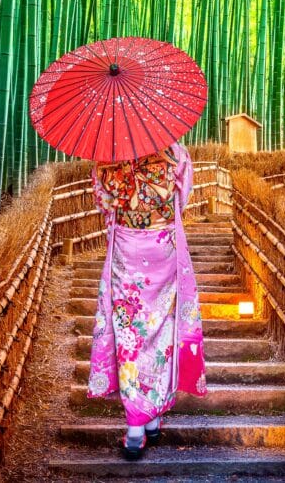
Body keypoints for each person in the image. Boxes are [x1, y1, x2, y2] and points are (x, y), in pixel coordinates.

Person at [85, 140, 208, 460]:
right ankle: (149, 418)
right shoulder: (176, 152)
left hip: (127, 247)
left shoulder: (107, 155)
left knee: (130, 332)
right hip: (163, 245)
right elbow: (183, 196)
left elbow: (104, 203)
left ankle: (136, 430)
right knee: (161, 328)